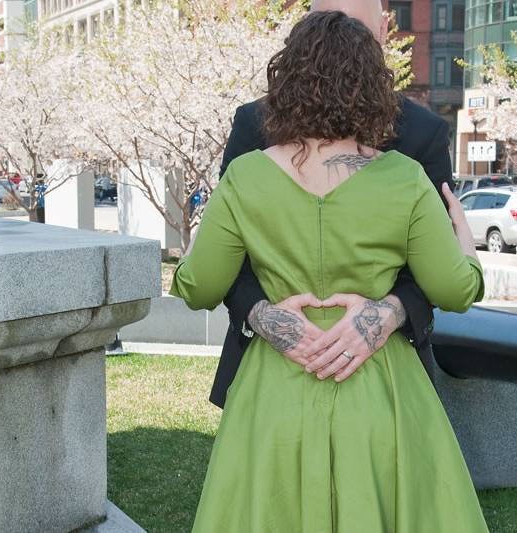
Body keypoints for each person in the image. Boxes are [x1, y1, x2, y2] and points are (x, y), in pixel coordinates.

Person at [170, 10, 489, 532]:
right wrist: (468, 250)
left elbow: (198, 285)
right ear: (374, 86)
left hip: (274, 392)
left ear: (286, 82)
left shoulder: (246, 176)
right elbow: (456, 290)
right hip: (380, 391)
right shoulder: (405, 179)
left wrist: (198, 243)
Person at [209, 0, 453, 411]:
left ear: (381, 33)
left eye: (353, 27)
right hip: (266, 371)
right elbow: (226, 248)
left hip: (387, 373)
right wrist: (264, 316)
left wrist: (387, 315)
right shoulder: (253, 122)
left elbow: (435, 262)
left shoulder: (424, 132)